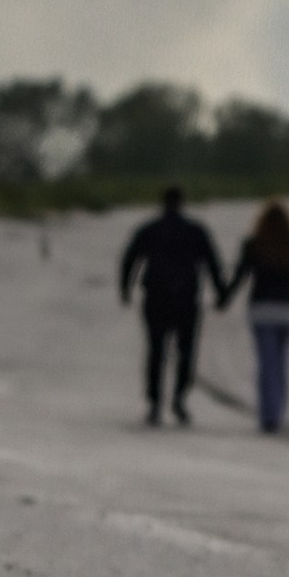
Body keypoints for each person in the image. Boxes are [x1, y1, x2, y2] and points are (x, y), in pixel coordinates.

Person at [118, 183, 230, 426]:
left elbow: (130, 259)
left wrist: (125, 289)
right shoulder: (196, 230)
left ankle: (155, 403)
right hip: (186, 298)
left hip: (156, 297)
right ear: (182, 202)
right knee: (185, 352)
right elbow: (213, 262)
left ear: (162, 202)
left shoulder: (149, 229)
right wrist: (221, 293)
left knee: (156, 351)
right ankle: (179, 400)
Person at [221, 199, 289, 433]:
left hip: (262, 310)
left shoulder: (254, 245)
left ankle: (269, 416)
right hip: (288, 312)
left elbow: (241, 275)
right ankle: (278, 413)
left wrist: (224, 298)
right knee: (281, 363)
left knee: (267, 364)